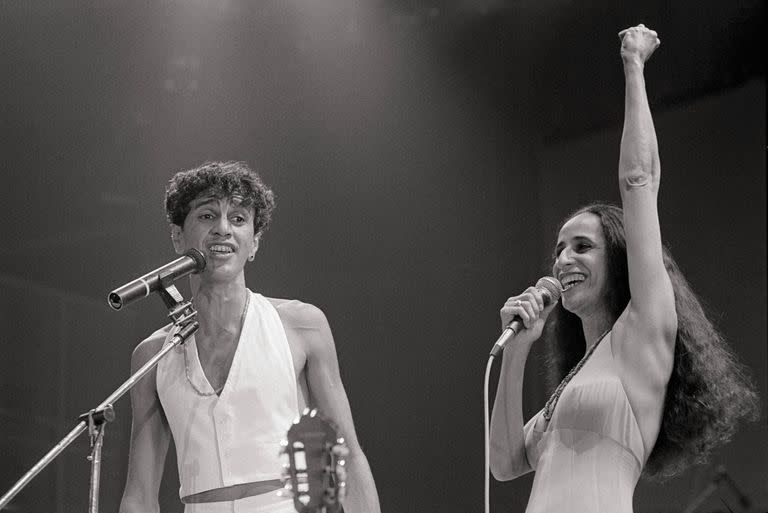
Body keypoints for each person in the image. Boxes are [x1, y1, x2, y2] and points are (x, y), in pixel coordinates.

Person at [489, 24, 758, 512]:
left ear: (617, 258)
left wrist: (633, 65)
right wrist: (517, 351)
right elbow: (504, 464)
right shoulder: (574, 379)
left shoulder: (642, 334)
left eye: (582, 246)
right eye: (559, 248)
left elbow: (638, 181)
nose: (563, 259)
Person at [119, 161, 381, 513]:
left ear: (254, 243)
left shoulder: (301, 326)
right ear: (178, 236)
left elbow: (347, 453)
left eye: (239, 219)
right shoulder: (152, 355)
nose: (223, 229)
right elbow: (140, 493)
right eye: (208, 216)